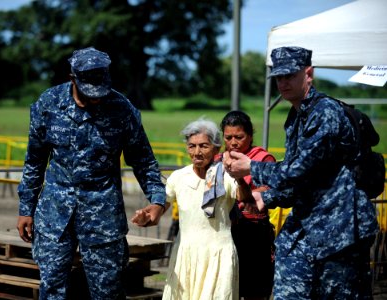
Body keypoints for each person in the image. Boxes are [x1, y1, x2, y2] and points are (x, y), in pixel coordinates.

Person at [223, 46, 379, 299]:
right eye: (278, 78)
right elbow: (307, 179)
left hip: (341, 230)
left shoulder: (325, 112)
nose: (283, 83)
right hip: (307, 225)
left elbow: (300, 169)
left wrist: (251, 167)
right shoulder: (296, 116)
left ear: (309, 73)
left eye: (289, 76)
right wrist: (268, 198)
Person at [16, 47, 167, 299]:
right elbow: (34, 161)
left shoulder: (122, 110)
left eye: (101, 90)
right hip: (55, 215)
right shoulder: (48, 105)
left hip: (103, 217)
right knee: (52, 289)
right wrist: (25, 208)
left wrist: (157, 200)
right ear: (72, 78)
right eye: (89, 92)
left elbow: (144, 161)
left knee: (107, 292)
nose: (97, 98)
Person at [138, 118, 241, 300]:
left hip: (217, 254)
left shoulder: (225, 176)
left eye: (204, 146)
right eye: (192, 146)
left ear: (216, 149)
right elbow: (160, 206)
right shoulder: (178, 177)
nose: (197, 152)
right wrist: (148, 215)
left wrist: (238, 174)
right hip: (186, 254)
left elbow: (245, 197)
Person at [220, 110, 276, 300]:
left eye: (239, 137)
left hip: (254, 232)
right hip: (226, 231)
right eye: (228, 137)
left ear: (250, 136)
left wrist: (245, 192)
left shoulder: (262, 159)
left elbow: (270, 190)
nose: (233, 142)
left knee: (255, 288)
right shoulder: (219, 160)